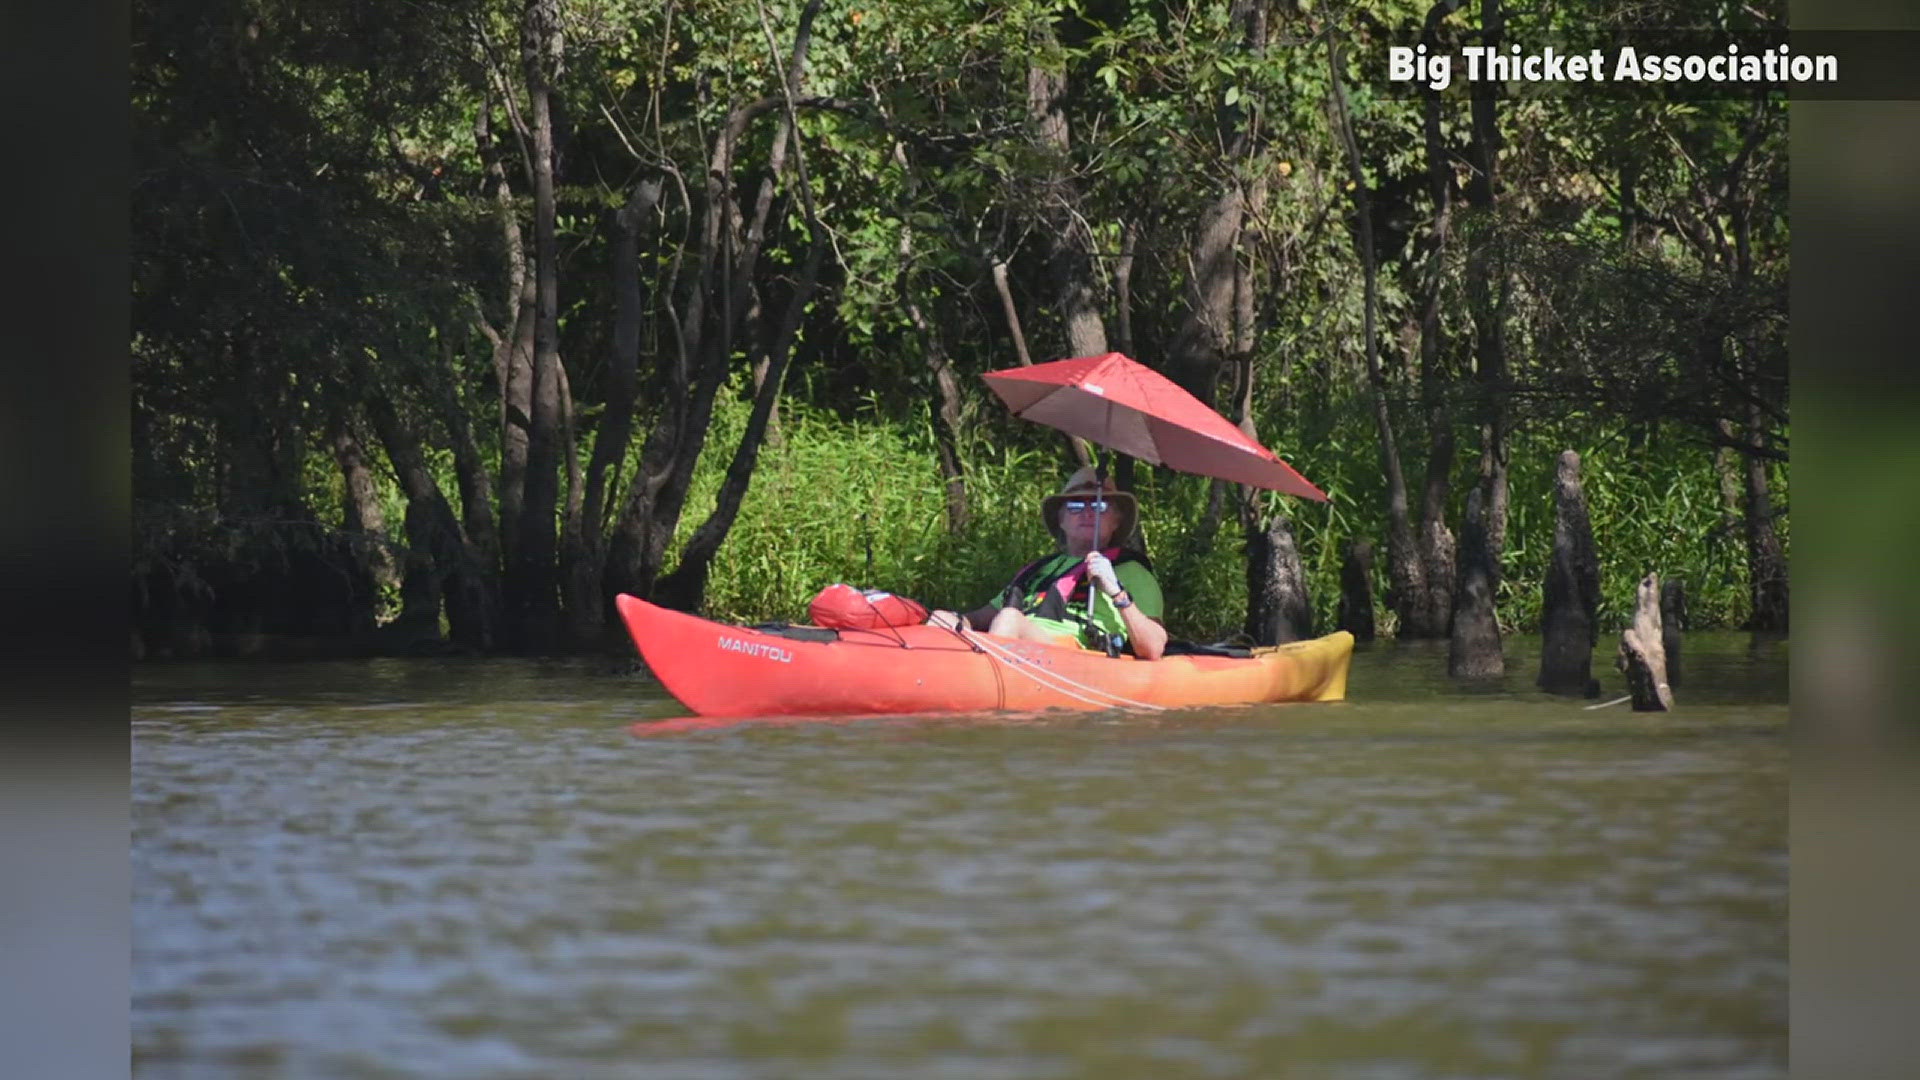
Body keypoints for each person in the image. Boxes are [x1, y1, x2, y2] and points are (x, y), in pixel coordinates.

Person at [929, 467, 1168, 660]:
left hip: (1072, 654)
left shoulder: (1131, 571)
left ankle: (985, 693)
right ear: (1061, 520)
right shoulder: (1039, 570)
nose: (1087, 513)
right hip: (1020, 642)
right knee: (942, 618)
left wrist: (1116, 591)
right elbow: (981, 617)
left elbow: (1153, 647)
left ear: (1116, 521)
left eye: (1099, 506)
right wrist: (953, 621)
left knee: (1010, 619)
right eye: (1075, 506)